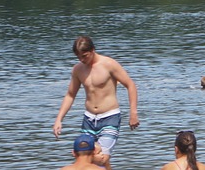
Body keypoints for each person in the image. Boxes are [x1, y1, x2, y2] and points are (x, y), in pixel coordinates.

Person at [52, 35, 140, 169]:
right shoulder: (78, 69)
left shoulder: (109, 64)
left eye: (85, 56)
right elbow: (70, 95)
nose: (82, 60)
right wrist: (59, 119)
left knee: (101, 158)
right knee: (86, 159)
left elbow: (130, 85)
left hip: (109, 117)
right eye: (79, 57)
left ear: (93, 50)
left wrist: (133, 113)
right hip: (89, 118)